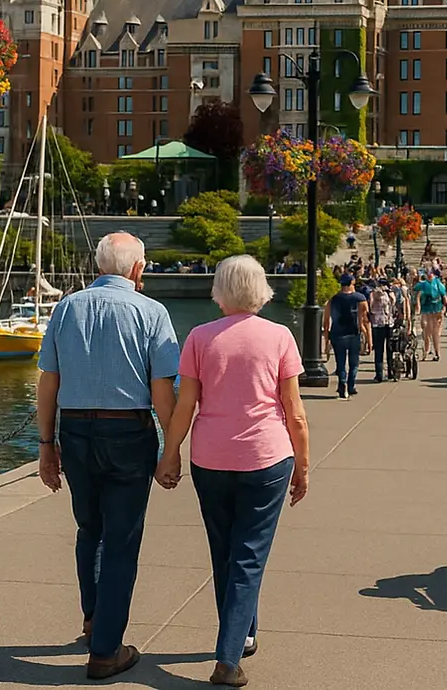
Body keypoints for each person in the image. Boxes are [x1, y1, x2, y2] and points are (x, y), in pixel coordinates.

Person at [157, 256, 309, 687]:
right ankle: (227, 657)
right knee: (249, 555)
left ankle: (243, 633)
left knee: (225, 550)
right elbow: (294, 412)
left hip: (211, 458)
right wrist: (303, 465)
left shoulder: (200, 338)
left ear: (219, 289)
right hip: (266, 456)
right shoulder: (279, 336)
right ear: (261, 289)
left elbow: (185, 404)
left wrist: (170, 454)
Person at [36, 233, 180, 681]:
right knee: (121, 539)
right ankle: (105, 650)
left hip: (75, 430)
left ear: (97, 265)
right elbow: (162, 390)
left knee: (89, 528)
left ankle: (94, 616)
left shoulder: (66, 308)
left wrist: (45, 445)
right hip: (128, 432)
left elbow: (48, 381)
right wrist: (171, 449)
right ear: (137, 269)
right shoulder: (152, 312)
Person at [323, 274, 369, 400]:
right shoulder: (360, 298)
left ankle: (342, 383)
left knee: (341, 362)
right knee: (354, 363)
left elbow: (326, 321)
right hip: (354, 333)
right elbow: (364, 319)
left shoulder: (333, 299)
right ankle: (351, 385)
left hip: (337, 334)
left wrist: (326, 339)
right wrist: (367, 336)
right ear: (351, 284)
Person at [413, 268, 447, 362]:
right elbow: (415, 288)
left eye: (430, 274)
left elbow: (444, 296)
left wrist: (445, 309)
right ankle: (426, 350)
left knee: (435, 332)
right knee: (426, 330)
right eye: (428, 274)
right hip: (426, 308)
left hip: (436, 308)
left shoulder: (437, 283)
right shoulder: (423, 284)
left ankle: (437, 352)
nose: (429, 275)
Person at [368, 279, 397, 383]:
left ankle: (379, 374)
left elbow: (370, 307)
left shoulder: (374, 294)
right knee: (389, 349)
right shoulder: (389, 294)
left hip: (377, 324)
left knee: (379, 351)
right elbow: (394, 304)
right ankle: (390, 372)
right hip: (388, 323)